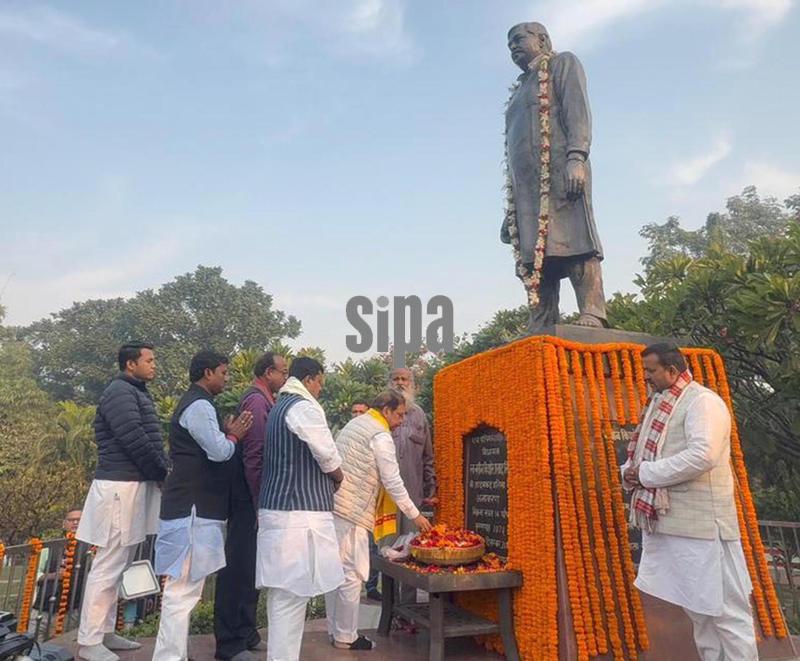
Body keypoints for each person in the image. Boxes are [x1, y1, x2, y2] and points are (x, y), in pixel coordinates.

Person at [621, 343, 757, 660]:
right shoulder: (660, 402)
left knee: (725, 611)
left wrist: (644, 474)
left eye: (650, 370)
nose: (645, 377)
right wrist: (630, 472)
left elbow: (702, 456)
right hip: (675, 526)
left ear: (672, 371)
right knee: (698, 609)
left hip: (706, 529)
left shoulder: (703, 402)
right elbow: (644, 456)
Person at [502, 21, 606, 332]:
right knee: (533, 254)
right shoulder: (519, 91)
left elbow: (577, 112)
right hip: (526, 192)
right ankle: (542, 318)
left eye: (519, 39)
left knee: (577, 240)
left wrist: (577, 156)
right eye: (509, 46)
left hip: (561, 170)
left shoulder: (562, 64)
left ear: (543, 39)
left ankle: (593, 311)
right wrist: (509, 211)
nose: (513, 48)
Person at [152, 351, 253, 661]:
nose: (226, 378)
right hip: (191, 509)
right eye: (223, 372)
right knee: (181, 591)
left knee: (187, 590)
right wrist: (234, 435)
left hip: (194, 508)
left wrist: (225, 432)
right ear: (207, 373)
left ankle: (176, 654)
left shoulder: (200, 404)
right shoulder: (197, 405)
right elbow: (219, 451)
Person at [76, 343, 169, 661]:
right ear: (131, 364)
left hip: (132, 484)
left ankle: (103, 632)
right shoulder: (120, 392)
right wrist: (161, 471)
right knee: (109, 563)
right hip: (119, 486)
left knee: (121, 561)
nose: (154, 365)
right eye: (149, 360)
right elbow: (133, 438)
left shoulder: (135, 391)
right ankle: (89, 642)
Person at [326, 390, 432, 650]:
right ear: (386, 410)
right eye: (399, 414)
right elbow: (393, 481)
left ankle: (334, 629)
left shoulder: (356, 423)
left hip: (336, 506)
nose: (401, 420)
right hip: (352, 511)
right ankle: (346, 636)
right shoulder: (379, 434)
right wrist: (415, 515)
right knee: (353, 573)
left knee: (336, 572)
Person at [256, 357, 344, 661]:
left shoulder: (281, 405)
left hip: (283, 513)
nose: (320, 388)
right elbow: (327, 453)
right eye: (320, 381)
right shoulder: (303, 406)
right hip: (297, 516)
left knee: (285, 598)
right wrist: (339, 476)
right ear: (310, 379)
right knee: (290, 598)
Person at [214, 352, 287, 661]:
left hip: (254, 496)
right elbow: (254, 457)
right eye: (282, 371)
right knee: (239, 568)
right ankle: (229, 643)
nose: (285, 377)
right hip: (248, 498)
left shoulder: (265, 400)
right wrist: (259, 503)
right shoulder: (257, 402)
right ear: (268, 372)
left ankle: (246, 631)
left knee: (252, 569)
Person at [389, 368, 437, 531]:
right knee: (385, 546)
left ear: (412, 384)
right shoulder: (380, 413)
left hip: (413, 492)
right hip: (385, 494)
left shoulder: (419, 415)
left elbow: (427, 456)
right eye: (396, 379)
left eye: (404, 379)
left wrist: (431, 489)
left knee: (411, 543)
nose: (400, 383)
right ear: (389, 383)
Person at [33, 509, 86, 623]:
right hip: (43, 608)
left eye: (79, 520)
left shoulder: (91, 549)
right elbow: (33, 574)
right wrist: (55, 575)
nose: (75, 523)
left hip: (73, 610)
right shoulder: (50, 547)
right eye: (71, 520)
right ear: (64, 524)